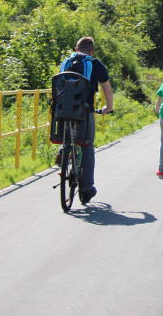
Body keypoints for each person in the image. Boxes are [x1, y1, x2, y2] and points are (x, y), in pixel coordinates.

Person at [57, 36, 114, 203]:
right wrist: (108, 107)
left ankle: (64, 148)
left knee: (67, 138)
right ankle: (87, 189)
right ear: (92, 51)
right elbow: (107, 90)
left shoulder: (66, 62)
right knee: (87, 147)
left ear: (76, 50)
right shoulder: (96, 64)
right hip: (84, 111)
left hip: (63, 110)